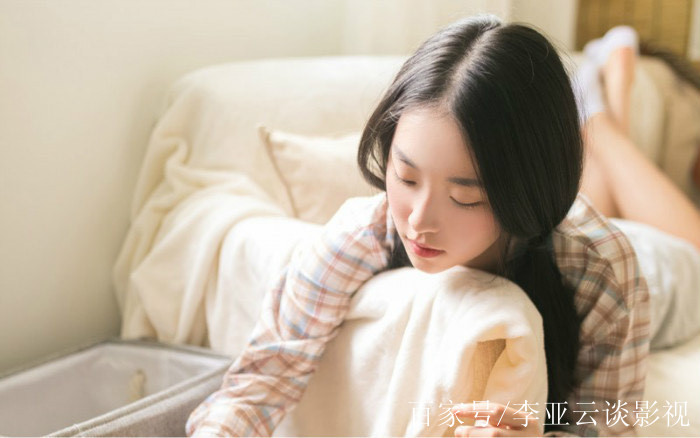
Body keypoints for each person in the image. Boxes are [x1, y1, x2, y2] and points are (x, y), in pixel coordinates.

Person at [185, 16, 700, 437]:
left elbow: (605, 425)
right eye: (406, 177)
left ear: (521, 191)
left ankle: (602, 117)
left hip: (667, 273)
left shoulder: (603, 270)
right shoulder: (361, 234)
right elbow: (261, 382)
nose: (418, 221)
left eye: (464, 197)